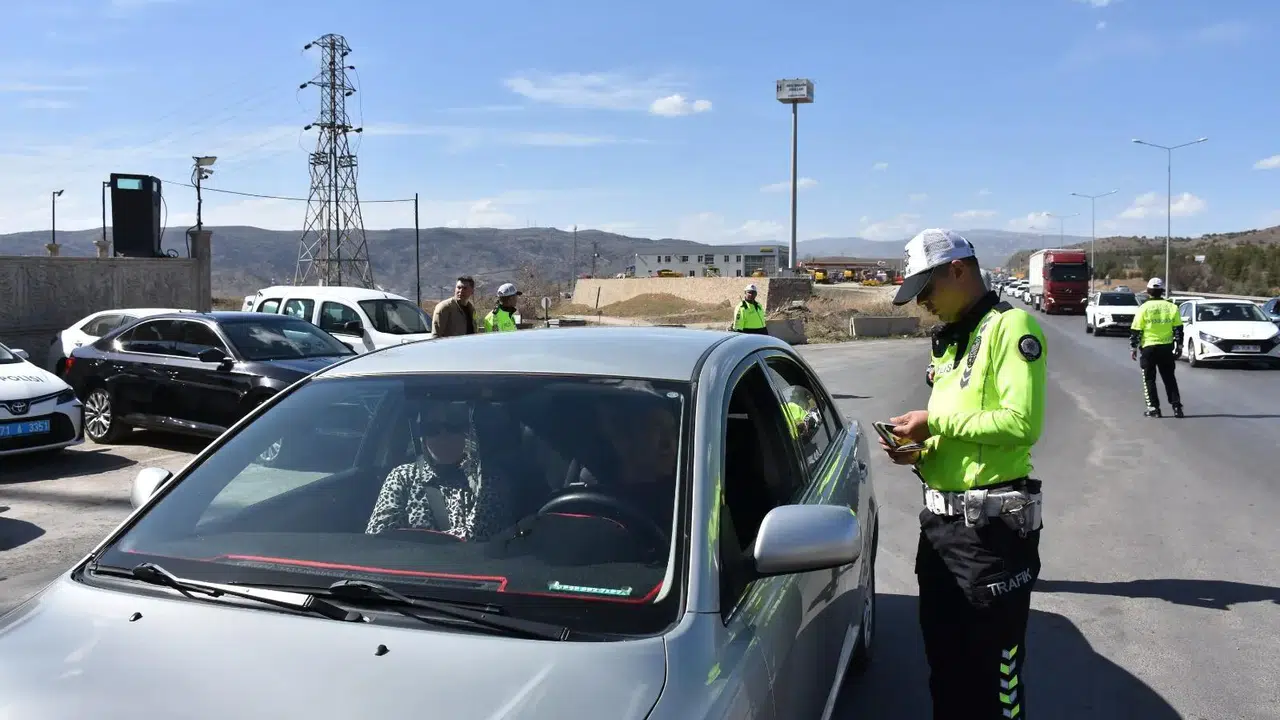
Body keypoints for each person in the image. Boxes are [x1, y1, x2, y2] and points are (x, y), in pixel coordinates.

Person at [879, 228, 1046, 720]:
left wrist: (934, 422)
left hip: (991, 536)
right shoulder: (951, 341)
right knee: (945, 672)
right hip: (940, 531)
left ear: (957, 271)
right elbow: (965, 433)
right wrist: (922, 451)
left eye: (926, 290)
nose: (922, 303)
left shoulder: (1010, 328)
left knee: (994, 682)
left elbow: (1021, 423)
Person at [365, 401, 516, 541]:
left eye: (453, 426)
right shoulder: (403, 477)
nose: (443, 436)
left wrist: (415, 540)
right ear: (422, 436)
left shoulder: (488, 479)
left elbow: (479, 536)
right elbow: (379, 540)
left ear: (468, 431)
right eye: (432, 429)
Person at [1129, 277, 1184, 418]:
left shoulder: (1143, 308)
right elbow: (1178, 329)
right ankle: (1177, 407)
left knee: (1149, 379)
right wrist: (1179, 346)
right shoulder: (1172, 307)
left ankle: (1154, 408)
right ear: (1162, 291)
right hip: (1166, 348)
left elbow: (1136, 330)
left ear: (1148, 291)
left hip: (1149, 348)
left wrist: (1133, 348)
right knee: (1169, 378)